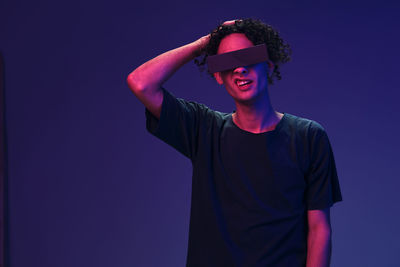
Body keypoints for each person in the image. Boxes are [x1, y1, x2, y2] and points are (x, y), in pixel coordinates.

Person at [127, 18, 342, 267]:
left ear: (269, 66)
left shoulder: (308, 137)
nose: (239, 69)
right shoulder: (203, 129)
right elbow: (141, 83)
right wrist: (204, 43)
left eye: (248, 58)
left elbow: (319, 229)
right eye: (228, 62)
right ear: (218, 76)